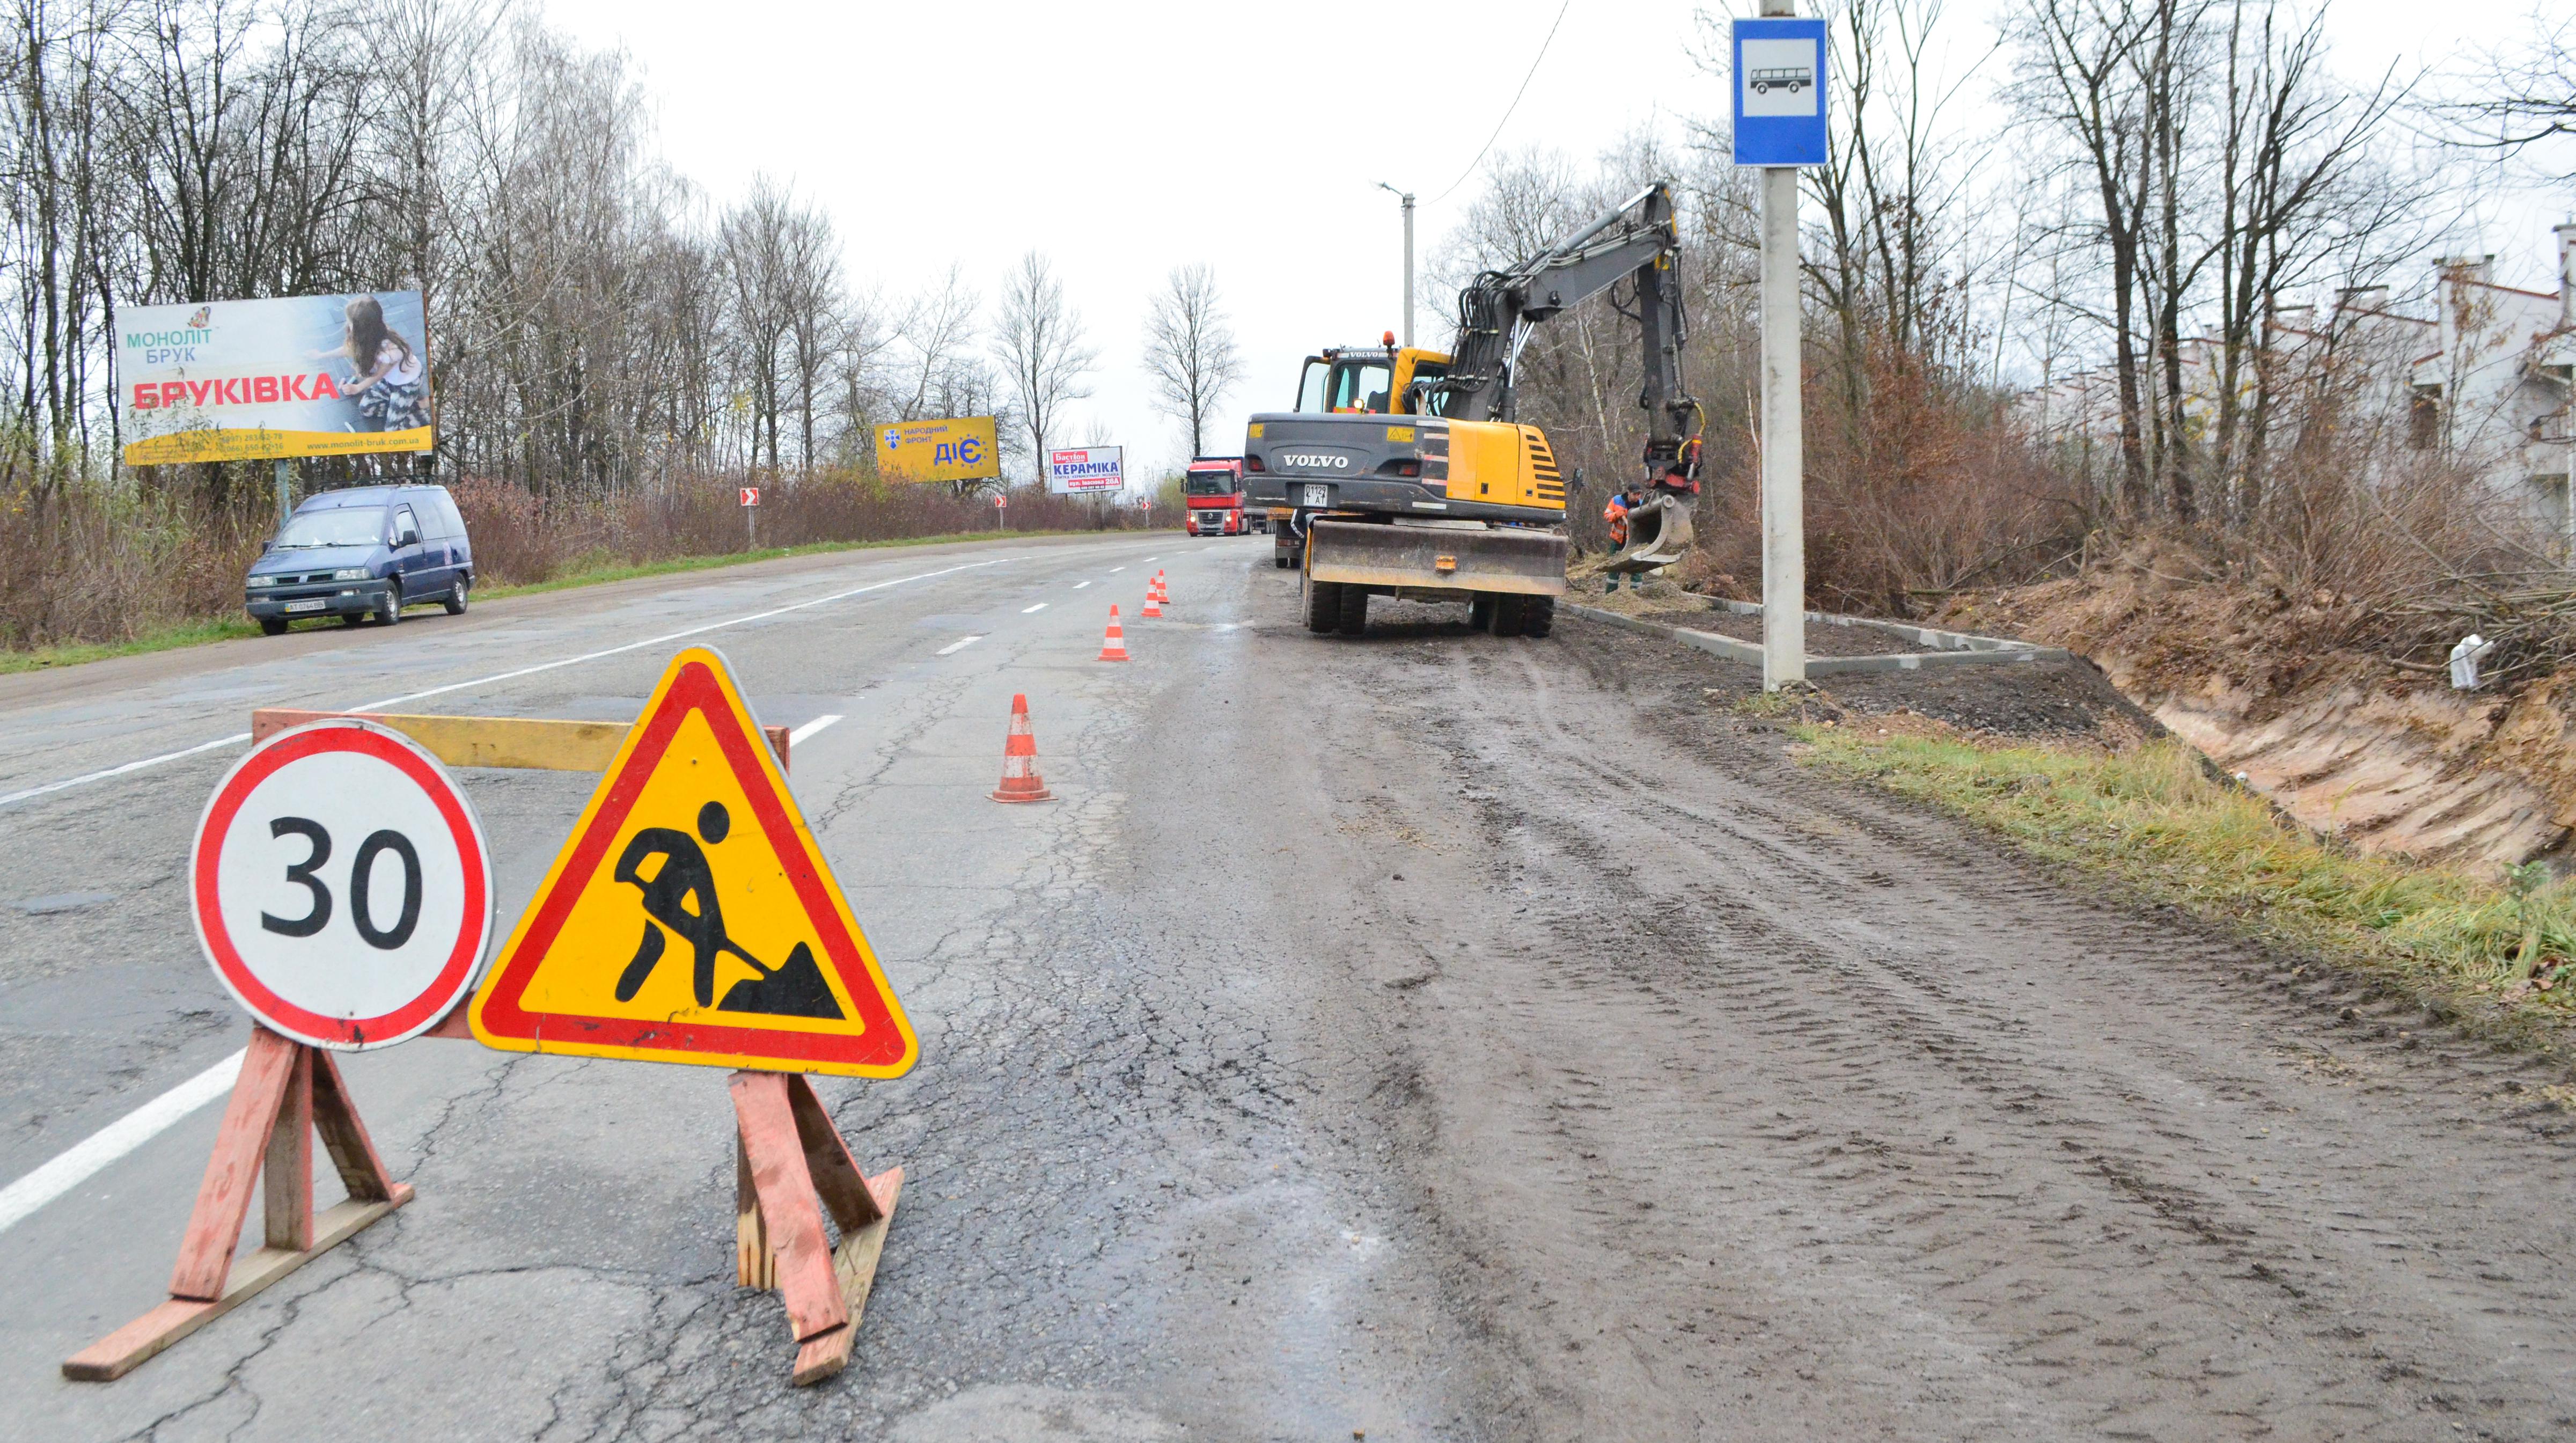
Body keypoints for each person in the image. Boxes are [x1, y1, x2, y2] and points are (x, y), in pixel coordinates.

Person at [316, 295, 430, 433]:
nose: (348, 325)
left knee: (392, 431)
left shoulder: (391, 351)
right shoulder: (370, 336)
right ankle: (405, 406)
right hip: (390, 381)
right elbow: (350, 349)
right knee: (367, 409)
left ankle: (425, 408)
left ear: (362, 328)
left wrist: (358, 388)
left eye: (351, 322)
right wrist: (321, 356)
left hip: (406, 385)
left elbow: (379, 375)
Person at [1602, 484, 1646, 592]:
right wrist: (1617, 514)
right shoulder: (1617, 501)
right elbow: (1607, 516)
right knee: (1614, 567)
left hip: (1634, 542)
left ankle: (1636, 594)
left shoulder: (1642, 505)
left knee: (1637, 568)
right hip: (1618, 541)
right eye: (1635, 494)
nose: (1637, 497)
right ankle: (1611, 594)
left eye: (1639, 494)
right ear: (1629, 493)